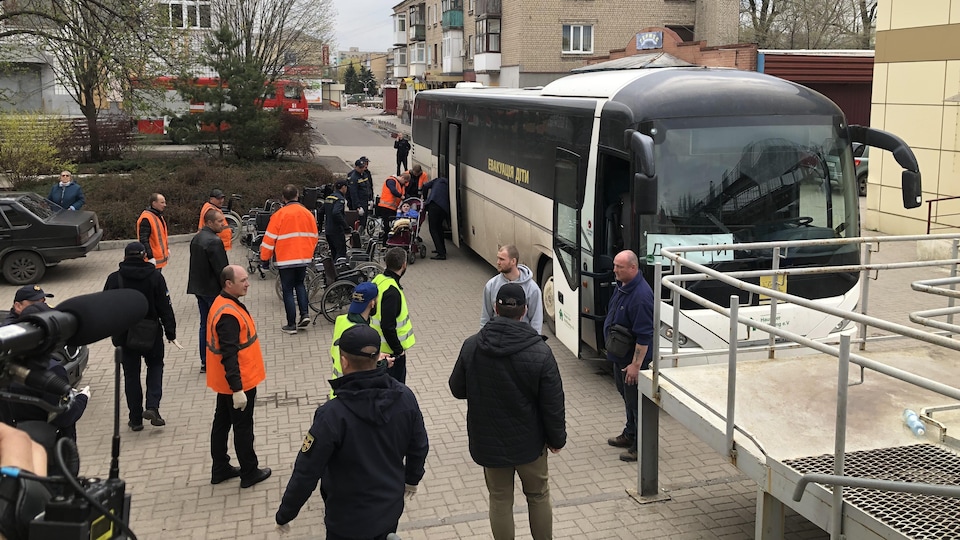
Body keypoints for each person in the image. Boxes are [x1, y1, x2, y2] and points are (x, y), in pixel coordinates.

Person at [275, 325, 429, 538]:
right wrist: (412, 479)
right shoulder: (404, 397)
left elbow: (306, 472)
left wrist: (285, 514)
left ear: (344, 361)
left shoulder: (332, 415)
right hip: (389, 509)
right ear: (377, 358)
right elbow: (419, 445)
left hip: (347, 520)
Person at [449, 283, 566, 540]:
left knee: (500, 499)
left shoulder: (472, 345)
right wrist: (556, 439)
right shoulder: (540, 351)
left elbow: (457, 389)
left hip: (488, 442)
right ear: (524, 311)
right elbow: (553, 403)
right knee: (538, 496)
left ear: (494, 308)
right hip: (530, 443)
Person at [206, 265, 272, 488]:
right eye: (243, 280)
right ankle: (249, 472)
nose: (248, 283)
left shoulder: (222, 303)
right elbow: (229, 354)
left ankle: (220, 468)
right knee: (243, 428)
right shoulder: (228, 315)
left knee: (222, 423)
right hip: (238, 382)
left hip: (225, 382)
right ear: (228, 284)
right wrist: (237, 389)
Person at [104, 242, 178, 431]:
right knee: (155, 366)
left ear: (125, 257)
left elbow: (106, 307)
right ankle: (152, 406)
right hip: (151, 333)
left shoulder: (114, 279)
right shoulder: (155, 277)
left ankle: (135, 419)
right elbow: (165, 306)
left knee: (131, 375)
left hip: (124, 335)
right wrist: (171, 332)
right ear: (145, 256)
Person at [603, 250, 654, 462]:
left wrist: (635, 365)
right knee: (626, 398)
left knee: (636, 403)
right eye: (615, 265)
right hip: (619, 357)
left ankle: (641, 446)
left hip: (632, 363)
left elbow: (644, 335)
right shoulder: (623, 285)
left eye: (619, 267)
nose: (614, 270)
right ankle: (630, 433)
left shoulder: (641, 296)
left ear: (633, 268)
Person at [260, 184, 319, 335]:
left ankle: (291, 324)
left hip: (285, 259)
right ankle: (304, 314)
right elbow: (314, 236)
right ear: (297, 195)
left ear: (283, 198)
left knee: (287, 290)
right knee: (300, 284)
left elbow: (269, 240)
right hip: (303, 258)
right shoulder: (307, 214)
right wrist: (308, 253)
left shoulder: (279, 215)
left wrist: (264, 260)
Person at [188, 208, 230, 374]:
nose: (223, 224)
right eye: (220, 221)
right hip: (213, 291)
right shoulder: (214, 241)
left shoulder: (197, 239)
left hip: (200, 289)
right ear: (210, 222)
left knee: (204, 325)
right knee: (219, 325)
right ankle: (219, 359)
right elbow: (223, 270)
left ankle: (205, 361)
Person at [371, 247, 416, 383]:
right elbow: (387, 326)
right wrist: (399, 351)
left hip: (378, 349)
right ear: (404, 265)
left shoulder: (379, 280)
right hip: (390, 354)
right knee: (396, 391)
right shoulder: (392, 291)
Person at [329, 281, 379, 398]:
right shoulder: (360, 334)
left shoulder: (341, 320)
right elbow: (362, 366)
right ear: (372, 303)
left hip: (338, 390)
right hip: (352, 394)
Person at [480, 245, 544, 334]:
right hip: (497, 340)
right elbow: (485, 316)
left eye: (502, 259)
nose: (498, 262)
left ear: (513, 261)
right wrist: (483, 337)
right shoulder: (491, 285)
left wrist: (535, 342)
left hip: (521, 339)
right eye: (498, 258)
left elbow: (536, 320)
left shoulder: (532, 289)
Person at [137, 193, 170, 270]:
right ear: (154, 203)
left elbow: (162, 236)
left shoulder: (158, 216)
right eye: (162, 202)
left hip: (157, 259)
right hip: (152, 260)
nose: (164, 205)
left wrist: (166, 249)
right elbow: (144, 240)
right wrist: (150, 257)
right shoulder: (147, 218)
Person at [421, 176, 449, 260]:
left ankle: (441, 253)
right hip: (444, 208)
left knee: (433, 229)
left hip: (434, 205)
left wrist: (425, 198)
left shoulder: (437, 180)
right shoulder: (448, 183)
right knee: (439, 228)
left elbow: (425, 186)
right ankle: (442, 249)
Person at [375, 172, 410, 238]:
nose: (404, 183)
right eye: (405, 181)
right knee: (387, 226)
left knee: (392, 225)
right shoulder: (391, 181)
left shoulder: (400, 185)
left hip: (392, 208)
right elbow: (393, 191)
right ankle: (385, 242)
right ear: (402, 177)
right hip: (385, 207)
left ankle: (390, 239)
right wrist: (401, 196)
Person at [324, 180, 350, 262]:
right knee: (341, 254)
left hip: (328, 231)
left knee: (334, 253)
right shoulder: (340, 199)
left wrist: (321, 225)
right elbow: (336, 213)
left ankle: (332, 273)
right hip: (337, 231)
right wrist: (345, 226)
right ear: (343, 187)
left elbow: (321, 211)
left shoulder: (329, 198)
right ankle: (338, 272)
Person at [346, 156, 373, 229]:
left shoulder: (364, 174)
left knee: (364, 221)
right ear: (356, 167)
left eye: (363, 167)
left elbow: (369, 187)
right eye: (360, 168)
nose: (362, 169)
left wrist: (371, 199)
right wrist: (358, 206)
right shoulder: (353, 177)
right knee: (358, 222)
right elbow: (353, 193)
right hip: (359, 202)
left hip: (365, 201)